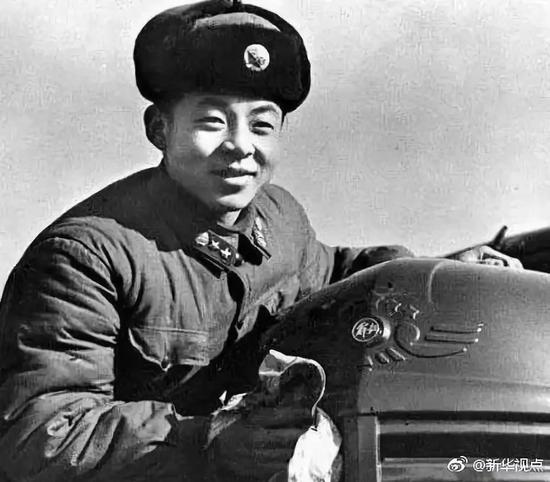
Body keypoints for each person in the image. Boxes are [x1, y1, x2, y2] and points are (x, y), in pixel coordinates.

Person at [0, 1, 521, 481]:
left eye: (262, 125)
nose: (240, 146)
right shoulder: (84, 258)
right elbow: (36, 434)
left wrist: (441, 272)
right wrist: (205, 440)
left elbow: (335, 276)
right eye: (212, 122)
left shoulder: (278, 217)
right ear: (159, 128)